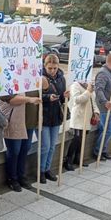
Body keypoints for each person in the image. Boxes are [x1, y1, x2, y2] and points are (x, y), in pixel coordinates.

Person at [0, 94, 41, 192]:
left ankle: (21, 176)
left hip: (29, 121)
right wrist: (29, 99)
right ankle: (12, 178)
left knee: (25, 149)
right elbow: (10, 99)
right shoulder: (6, 80)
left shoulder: (31, 79)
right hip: (15, 122)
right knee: (14, 151)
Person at [41, 54, 69, 183]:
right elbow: (38, 96)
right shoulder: (41, 78)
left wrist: (65, 96)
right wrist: (48, 97)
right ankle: (41, 170)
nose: (52, 71)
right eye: (50, 68)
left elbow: (62, 99)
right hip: (45, 116)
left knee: (52, 145)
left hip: (56, 115)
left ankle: (47, 169)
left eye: (55, 68)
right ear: (45, 66)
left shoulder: (61, 78)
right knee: (45, 146)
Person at [65, 82, 99, 171]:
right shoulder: (75, 85)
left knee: (82, 139)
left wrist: (96, 112)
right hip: (78, 116)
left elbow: (93, 100)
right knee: (77, 138)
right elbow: (77, 100)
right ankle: (68, 160)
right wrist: (88, 91)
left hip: (87, 116)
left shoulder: (89, 84)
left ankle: (77, 158)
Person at [93, 53, 111, 161]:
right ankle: (97, 151)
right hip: (104, 108)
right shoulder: (103, 73)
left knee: (106, 131)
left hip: (110, 108)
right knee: (107, 131)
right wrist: (105, 101)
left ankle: (102, 151)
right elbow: (98, 89)